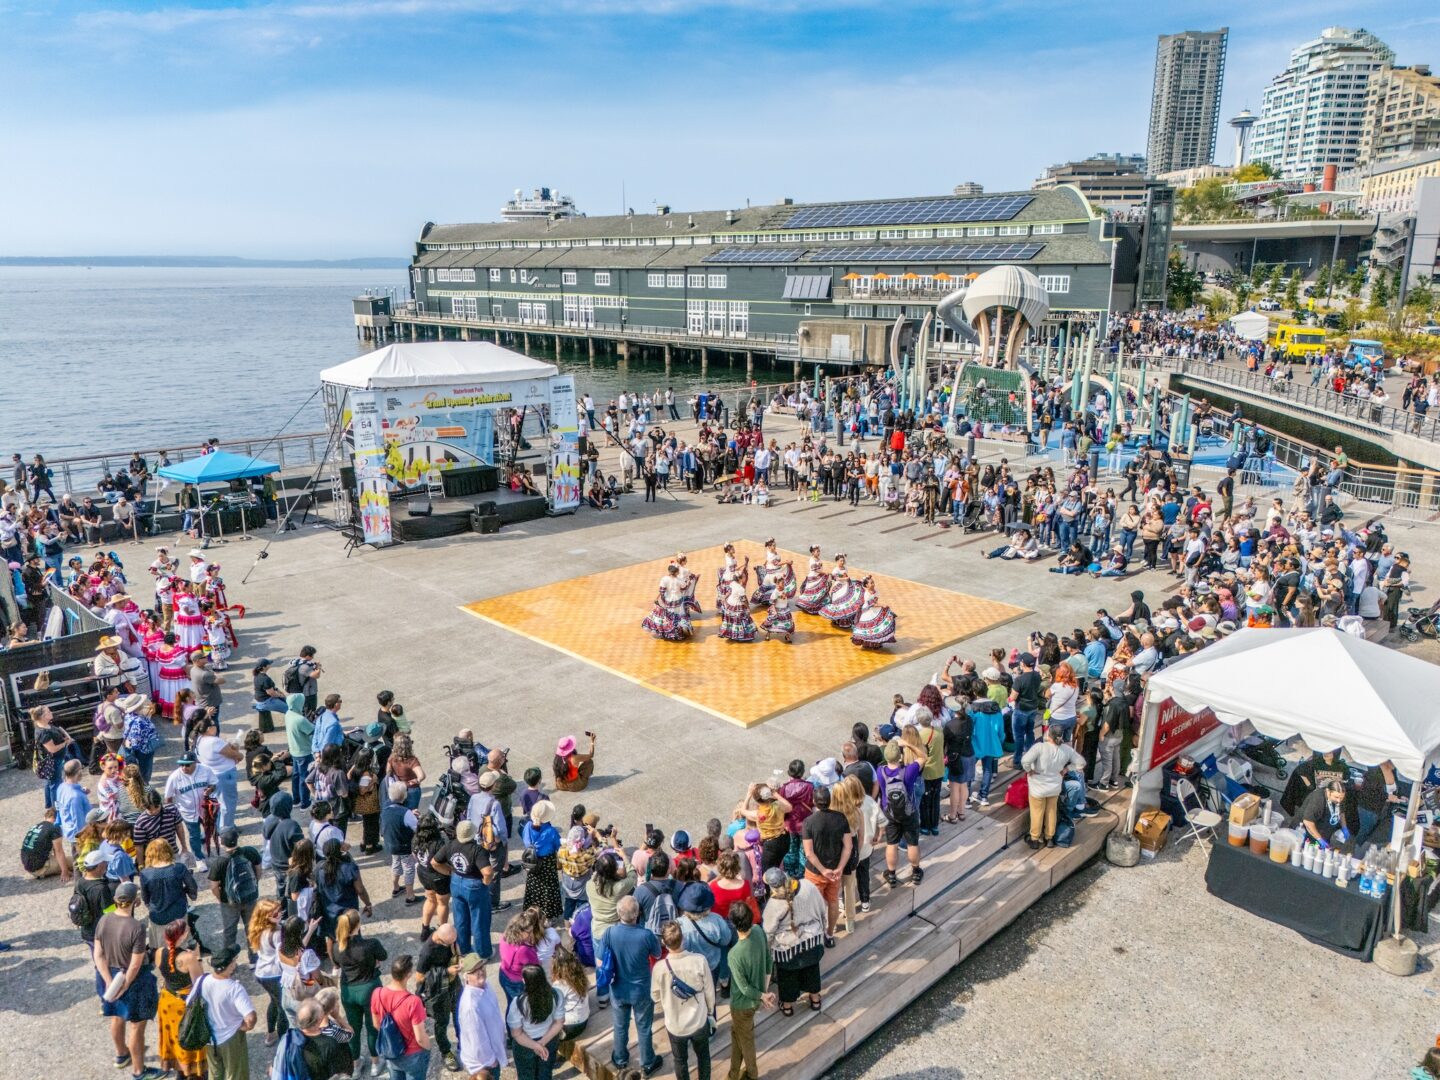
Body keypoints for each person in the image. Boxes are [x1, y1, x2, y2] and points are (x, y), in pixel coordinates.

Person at [92, 880, 162, 1080]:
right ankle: (139, 1071)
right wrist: (126, 984)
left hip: (111, 975)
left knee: (116, 1017)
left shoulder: (103, 920)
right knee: (136, 1027)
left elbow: (98, 955)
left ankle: (121, 1054)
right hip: (133, 980)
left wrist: (108, 980)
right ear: (136, 901)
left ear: (115, 900)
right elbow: (135, 963)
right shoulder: (136, 927)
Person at [602, 895, 663, 1076]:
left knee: (620, 1025)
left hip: (618, 988)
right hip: (641, 989)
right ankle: (647, 1062)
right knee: (644, 1026)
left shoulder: (609, 933)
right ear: (637, 913)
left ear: (618, 913)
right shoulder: (646, 935)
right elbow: (658, 954)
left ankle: (620, 1059)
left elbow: (600, 959)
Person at [652, 921, 716, 1080]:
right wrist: (710, 1013)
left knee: (680, 1060)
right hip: (699, 1020)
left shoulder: (659, 968)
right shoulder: (699, 960)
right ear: (683, 938)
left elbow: (655, 996)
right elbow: (709, 991)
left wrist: (665, 1005)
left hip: (675, 1024)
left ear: (663, 943)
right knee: (703, 1056)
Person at [761, 868, 826, 1017]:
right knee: (812, 970)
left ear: (772, 887)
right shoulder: (808, 885)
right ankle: (815, 999)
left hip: (787, 950)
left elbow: (768, 932)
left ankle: (788, 1006)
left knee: (787, 978)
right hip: (812, 941)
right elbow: (822, 909)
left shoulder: (773, 905)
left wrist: (768, 950)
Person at [187, 945, 256, 1080]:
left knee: (215, 1073)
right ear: (230, 966)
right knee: (235, 1074)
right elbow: (251, 1018)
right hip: (231, 1038)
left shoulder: (202, 980)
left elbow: (189, 1003)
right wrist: (244, 1026)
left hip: (209, 1038)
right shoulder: (235, 989)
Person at [331, 907, 387, 1069]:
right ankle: (376, 1062)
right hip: (369, 989)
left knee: (352, 1028)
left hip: (348, 991)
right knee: (372, 1027)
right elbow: (383, 956)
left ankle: (355, 1064)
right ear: (358, 925)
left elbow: (336, 962)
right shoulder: (371, 944)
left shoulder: (336, 947)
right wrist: (374, 963)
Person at [431, 820, 495, 960]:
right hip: (474, 885)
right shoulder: (477, 849)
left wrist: (449, 872)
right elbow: (488, 872)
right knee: (479, 921)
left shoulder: (450, 845)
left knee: (460, 919)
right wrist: (485, 882)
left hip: (456, 882)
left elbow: (434, 862)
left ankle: (463, 949)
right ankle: (483, 953)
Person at [725, 900, 774, 1080]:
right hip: (756, 998)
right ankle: (733, 1073)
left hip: (741, 1004)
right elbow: (769, 962)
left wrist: (762, 996)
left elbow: (744, 988)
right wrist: (764, 993)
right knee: (738, 1034)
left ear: (733, 923)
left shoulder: (734, 954)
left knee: (745, 1041)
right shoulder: (759, 932)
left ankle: (752, 1075)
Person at [154, 919, 207, 1080]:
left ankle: (178, 1069)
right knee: (188, 1035)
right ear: (182, 936)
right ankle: (190, 1070)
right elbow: (199, 983)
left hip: (167, 999)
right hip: (182, 1004)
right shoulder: (188, 958)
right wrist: (197, 958)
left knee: (173, 1037)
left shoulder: (159, 952)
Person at [800, 785, 851, 947]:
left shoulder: (809, 822)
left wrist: (823, 870)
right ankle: (829, 934)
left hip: (816, 871)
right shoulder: (841, 818)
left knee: (814, 905)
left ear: (814, 801)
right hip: (835, 870)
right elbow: (848, 846)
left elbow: (809, 853)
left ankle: (817, 935)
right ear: (830, 801)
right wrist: (840, 868)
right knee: (833, 902)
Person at [1021, 727, 1086, 849]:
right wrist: (1067, 769)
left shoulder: (1039, 747)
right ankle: (1049, 838)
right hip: (1055, 787)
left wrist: (1030, 771)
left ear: (1048, 735)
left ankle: (1035, 838)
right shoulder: (1066, 749)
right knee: (1051, 812)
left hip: (1038, 787)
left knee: (1037, 813)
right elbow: (1081, 762)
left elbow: (1025, 761)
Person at [370, 955, 432, 1080]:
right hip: (413, 1055)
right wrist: (428, 1048)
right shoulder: (414, 1001)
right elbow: (420, 1038)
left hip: (391, 1051)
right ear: (408, 975)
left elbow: (376, 1025)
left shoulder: (377, 993)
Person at [506, 963, 566, 1080]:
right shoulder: (556, 994)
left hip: (525, 1046)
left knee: (526, 1076)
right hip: (549, 1041)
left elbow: (516, 1034)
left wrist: (535, 1046)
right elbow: (559, 1022)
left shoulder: (518, 1003)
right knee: (545, 1074)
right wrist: (542, 1043)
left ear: (525, 981)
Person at [876, 742, 923, 887]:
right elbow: (923, 756)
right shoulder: (909, 770)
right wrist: (909, 744)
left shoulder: (880, 771)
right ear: (900, 756)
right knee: (912, 843)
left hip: (890, 813)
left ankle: (891, 875)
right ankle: (915, 872)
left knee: (891, 844)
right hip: (909, 812)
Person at [457, 951, 509, 1080]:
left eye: (481, 967)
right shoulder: (470, 1006)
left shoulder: (486, 985)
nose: (480, 972)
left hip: (494, 1052)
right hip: (485, 1064)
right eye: (474, 971)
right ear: (466, 977)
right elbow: (477, 1041)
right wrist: (491, 1061)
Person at [139, 839, 196, 948]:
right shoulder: (179, 868)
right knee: (181, 944)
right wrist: (189, 893)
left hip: (158, 915)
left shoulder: (145, 873)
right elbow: (192, 886)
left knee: (162, 948)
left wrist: (149, 906)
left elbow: (145, 897)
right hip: (178, 912)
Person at [193, 711, 242, 832]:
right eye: (214, 725)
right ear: (209, 729)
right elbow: (233, 754)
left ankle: (221, 825)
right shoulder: (214, 741)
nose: (216, 727)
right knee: (228, 803)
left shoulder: (198, 740)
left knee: (218, 802)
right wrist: (239, 754)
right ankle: (227, 829)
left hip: (211, 774)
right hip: (224, 775)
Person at [1299, 779, 1359, 848]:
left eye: (1341, 798)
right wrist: (1319, 839)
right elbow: (1308, 822)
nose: (1339, 800)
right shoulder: (1318, 798)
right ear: (1328, 792)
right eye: (1336, 797)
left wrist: (1344, 827)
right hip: (1305, 830)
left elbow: (1341, 812)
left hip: (1323, 831)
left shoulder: (1340, 796)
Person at [21, 804, 72, 880]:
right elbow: (58, 851)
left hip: (28, 865)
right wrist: (64, 871)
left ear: (45, 816)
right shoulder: (54, 828)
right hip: (40, 868)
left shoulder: (37, 826)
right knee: (74, 861)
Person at [284, 693, 316, 808]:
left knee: (296, 776)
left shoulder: (288, 714)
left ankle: (296, 799)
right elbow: (313, 731)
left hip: (294, 750)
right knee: (305, 777)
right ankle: (305, 803)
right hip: (304, 752)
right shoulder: (300, 720)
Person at [56, 757, 93, 840]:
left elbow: (58, 806)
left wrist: (81, 791)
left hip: (68, 829)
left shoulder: (61, 787)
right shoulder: (75, 797)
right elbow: (78, 822)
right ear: (78, 772)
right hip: (79, 836)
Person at [251, 658, 285, 734]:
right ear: (264, 667)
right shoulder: (265, 678)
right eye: (268, 664)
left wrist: (277, 691)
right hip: (266, 701)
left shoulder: (257, 676)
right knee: (289, 709)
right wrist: (281, 695)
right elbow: (271, 693)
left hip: (260, 700)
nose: (270, 665)